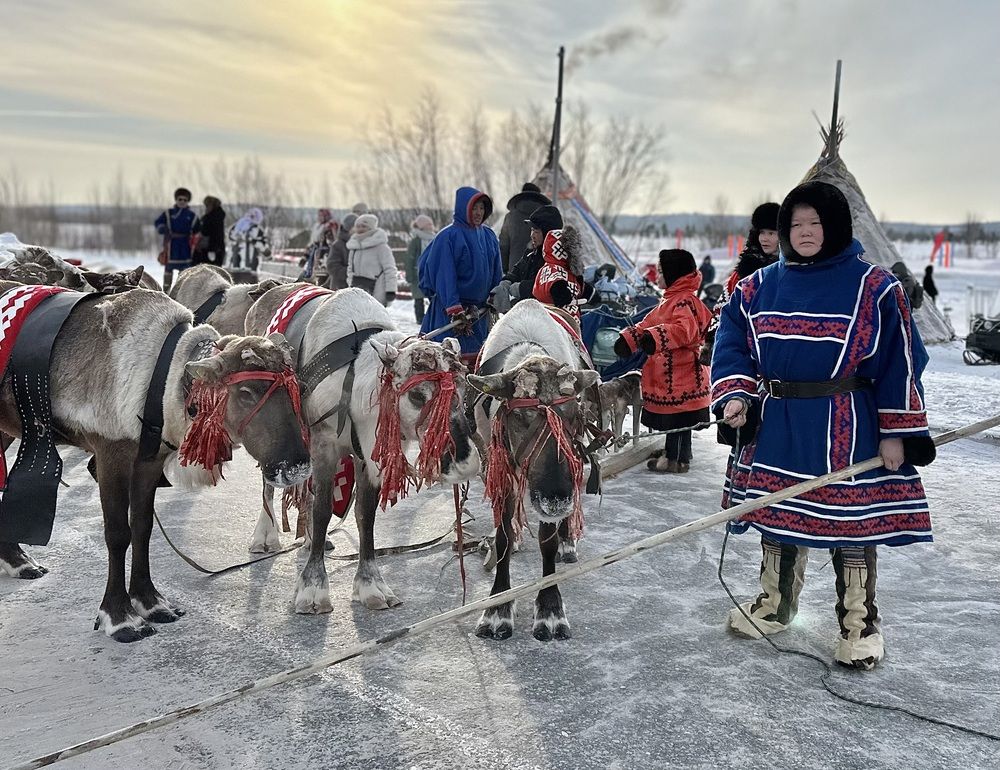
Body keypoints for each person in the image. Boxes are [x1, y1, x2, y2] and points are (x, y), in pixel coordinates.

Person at [712, 180, 936, 671]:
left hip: (846, 424)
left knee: (849, 525)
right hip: (776, 422)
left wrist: (896, 430)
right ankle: (775, 604)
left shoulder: (875, 286)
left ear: (834, 226)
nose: (806, 232)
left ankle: (858, 623)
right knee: (776, 511)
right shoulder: (758, 285)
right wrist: (736, 396)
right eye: (796, 224)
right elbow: (731, 342)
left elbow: (901, 361)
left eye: (815, 223)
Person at [613, 249, 712, 473]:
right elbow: (648, 322)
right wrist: (631, 339)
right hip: (673, 375)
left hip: (680, 374)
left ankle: (675, 459)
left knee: (678, 419)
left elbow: (683, 331)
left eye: (660, 272)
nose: (656, 276)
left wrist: (654, 337)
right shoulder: (672, 299)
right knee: (680, 420)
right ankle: (679, 453)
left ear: (673, 274)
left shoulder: (683, 302)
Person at [418, 186, 502, 362]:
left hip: (479, 314)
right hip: (451, 316)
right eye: (474, 208)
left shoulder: (489, 235)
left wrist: (495, 294)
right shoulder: (448, 237)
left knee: (479, 364)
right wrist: (454, 307)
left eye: (481, 208)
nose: (478, 212)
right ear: (464, 208)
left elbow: (496, 270)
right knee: (446, 363)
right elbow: (444, 276)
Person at [491, 204, 563, 313]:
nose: (532, 235)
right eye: (532, 230)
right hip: (528, 313)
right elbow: (517, 271)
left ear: (548, 234)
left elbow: (550, 286)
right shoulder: (531, 252)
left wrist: (521, 288)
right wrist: (506, 282)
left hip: (549, 317)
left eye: (536, 231)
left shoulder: (558, 259)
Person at [531, 226, 594, 320]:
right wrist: (561, 293)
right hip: (554, 320)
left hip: (570, 320)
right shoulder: (553, 270)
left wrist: (591, 292)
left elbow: (577, 288)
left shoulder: (568, 271)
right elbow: (553, 284)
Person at [154, 187, 200, 292]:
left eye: (185, 200)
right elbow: (158, 222)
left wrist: (195, 240)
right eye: (180, 199)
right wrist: (162, 228)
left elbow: (198, 230)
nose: (182, 202)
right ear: (176, 200)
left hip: (185, 246)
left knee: (184, 271)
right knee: (169, 268)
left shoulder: (191, 216)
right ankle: (165, 291)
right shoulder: (168, 213)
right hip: (172, 244)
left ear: (187, 201)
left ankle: (180, 292)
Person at [499, 182, 550, 272]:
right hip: (539, 272)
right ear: (538, 197)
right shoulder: (546, 217)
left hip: (515, 270)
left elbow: (504, 246)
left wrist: (505, 269)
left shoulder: (510, 217)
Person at [347, 213, 396, 306]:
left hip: (377, 292)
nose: (360, 229)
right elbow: (350, 269)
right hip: (357, 291)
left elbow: (390, 269)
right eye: (358, 226)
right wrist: (350, 284)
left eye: (364, 226)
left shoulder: (381, 247)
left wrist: (391, 290)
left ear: (371, 228)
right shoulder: (354, 248)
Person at [406, 214, 436, 323]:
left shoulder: (434, 238)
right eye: (429, 224)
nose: (431, 226)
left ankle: (431, 317)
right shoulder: (416, 241)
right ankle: (420, 319)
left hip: (430, 273)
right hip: (417, 273)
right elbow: (410, 258)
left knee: (433, 297)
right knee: (418, 299)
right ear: (422, 226)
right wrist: (409, 274)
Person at [302, 208, 338, 282]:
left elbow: (332, 241)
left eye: (322, 216)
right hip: (315, 252)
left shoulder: (329, 226)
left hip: (324, 254)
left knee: (321, 274)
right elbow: (312, 242)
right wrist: (305, 255)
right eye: (319, 215)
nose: (319, 217)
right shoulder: (317, 226)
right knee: (310, 273)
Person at [193, 195, 225, 267]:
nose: (206, 208)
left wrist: (212, 249)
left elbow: (215, 234)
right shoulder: (213, 217)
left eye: (208, 206)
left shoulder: (214, 218)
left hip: (212, 249)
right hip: (210, 248)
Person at [326, 212, 355, 290]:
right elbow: (332, 267)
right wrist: (351, 273)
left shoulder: (358, 244)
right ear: (350, 228)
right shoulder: (338, 245)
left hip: (354, 288)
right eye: (356, 226)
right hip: (340, 288)